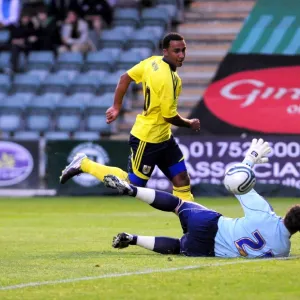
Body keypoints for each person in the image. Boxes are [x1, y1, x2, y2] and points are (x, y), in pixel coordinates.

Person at [60, 32, 200, 201]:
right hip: (148, 138)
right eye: (176, 51)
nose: (181, 55)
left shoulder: (152, 62)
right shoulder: (168, 80)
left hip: (164, 137)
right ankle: (84, 164)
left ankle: (191, 226)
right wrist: (189, 123)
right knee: (133, 184)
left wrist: (116, 106)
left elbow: (125, 78)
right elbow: (169, 116)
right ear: (165, 52)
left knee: (182, 181)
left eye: (183, 50)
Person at [103, 138, 300, 258]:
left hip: (211, 224)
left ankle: (131, 189)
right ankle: (133, 239)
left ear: (289, 211)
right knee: (180, 247)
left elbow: (235, 180)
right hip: (209, 250)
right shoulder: (283, 250)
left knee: (178, 204)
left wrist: (250, 159)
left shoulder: (264, 214)